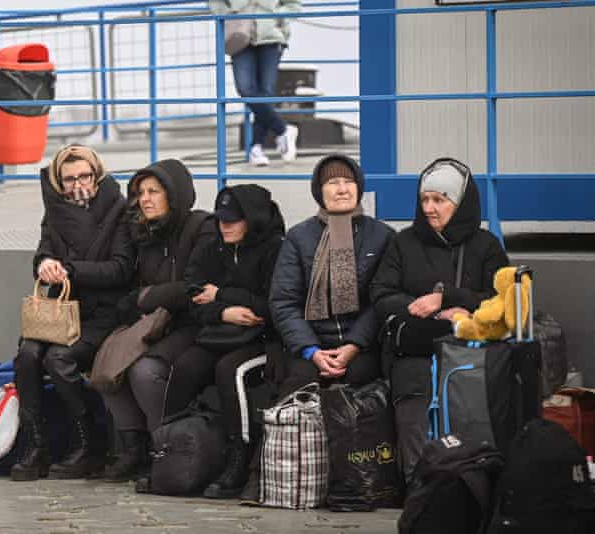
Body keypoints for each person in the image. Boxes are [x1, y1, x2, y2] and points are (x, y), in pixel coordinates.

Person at [369, 157, 509, 486]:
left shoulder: (485, 246)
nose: (430, 208)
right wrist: (432, 311)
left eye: (439, 200)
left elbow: (500, 298)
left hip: (468, 354)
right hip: (415, 351)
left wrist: (449, 297)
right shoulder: (403, 242)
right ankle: (422, 492)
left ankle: (471, 486)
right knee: (415, 403)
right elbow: (382, 294)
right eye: (424, 199)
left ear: (459, 204)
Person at [11, 144, 135, 481]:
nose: (78, 184)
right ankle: (35, 444)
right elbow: (43, 253)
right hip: (60, 311)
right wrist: (46, 265)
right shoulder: (53, 212)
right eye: (68, 179)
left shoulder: (119, 210)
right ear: (58, 182)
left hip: (103, 314)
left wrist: (70, 269)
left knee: (58, 360)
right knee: (27, 355)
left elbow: (121, 269)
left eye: (85, 175)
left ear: (97, 176)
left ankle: (87, 443)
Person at [100, 159, 217, 483]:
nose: (144, 199)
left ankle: (164, 447)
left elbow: (194, 288)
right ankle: (133, 449)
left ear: (174, 194)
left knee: (144, 371)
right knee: (107, 365)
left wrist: (144, 297)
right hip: (157, 325)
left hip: (196, 325)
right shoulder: (144, 233)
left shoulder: (201, 227)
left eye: (154, 191)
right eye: (139, 192)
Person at [173, 184, 285, 499]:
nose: (226, 225)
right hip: (219, 332)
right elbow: (193, 297)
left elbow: (273, 306)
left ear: (253, 219)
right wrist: (226, 312)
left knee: (230, 371)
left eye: (234, 219)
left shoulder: (276, 248)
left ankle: (240, 457)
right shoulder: (212, 247)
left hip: (263, 340)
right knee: (184, 367)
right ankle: (173, 451)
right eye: (222, 219)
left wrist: (221, 295)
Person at [268, 154, 394, 395]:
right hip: (311, 344)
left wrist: (354, 344)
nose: (342, 190)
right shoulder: (298, 238)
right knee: (299, 386)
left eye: (349, 182)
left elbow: (381, 300)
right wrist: (310, 350)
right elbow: (284, 301)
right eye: (333, 183)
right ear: (319, 191)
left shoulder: (382, 236)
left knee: (359, 383)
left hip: (364, 345)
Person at [209, 0, 301, 166]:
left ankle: (256, 147)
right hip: (239, 35)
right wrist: (229, 14)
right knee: (245, 88)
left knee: (266, 92)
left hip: (271, 36)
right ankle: (283, 130)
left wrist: (276, 14)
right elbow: (215, 3)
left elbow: (294, 4)